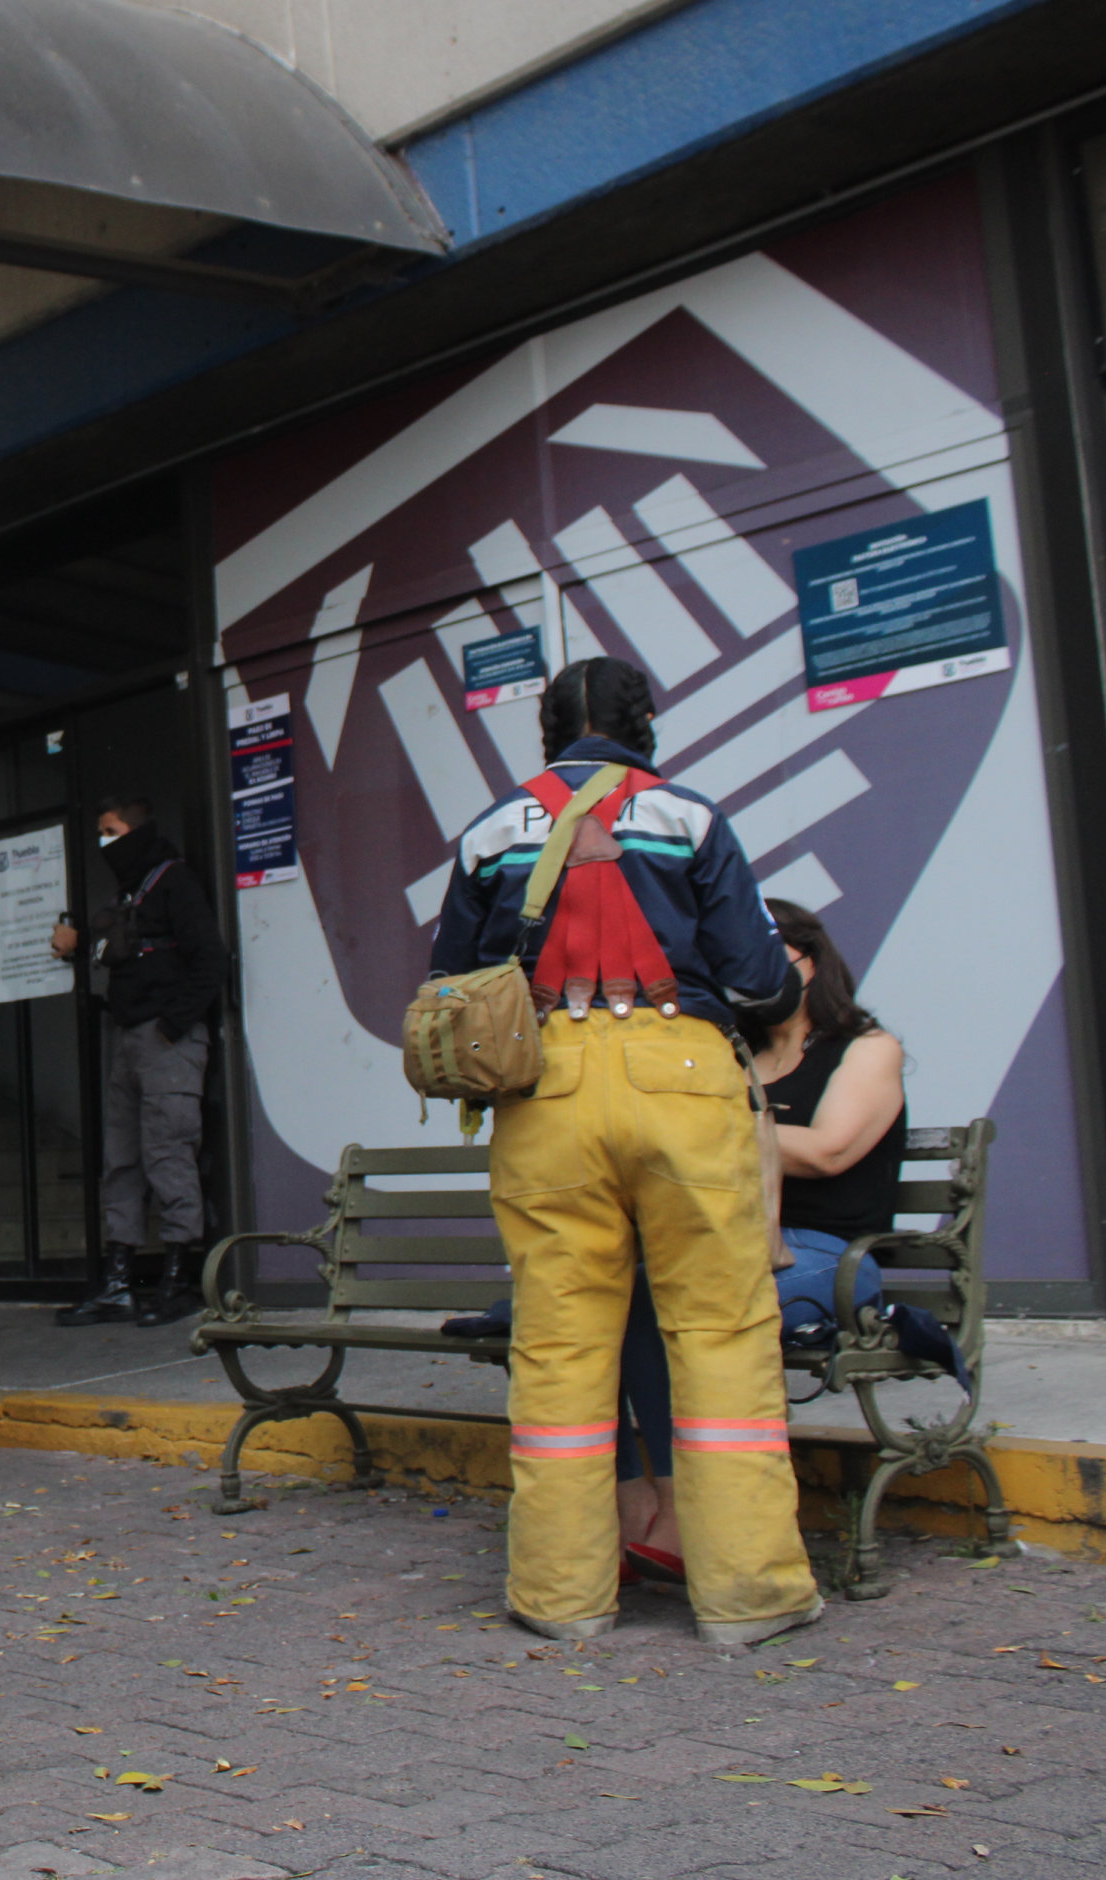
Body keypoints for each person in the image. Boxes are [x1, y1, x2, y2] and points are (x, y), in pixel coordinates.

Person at [430, 655, 820, 1646]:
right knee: (724, 1334)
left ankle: (562, 1598)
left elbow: (452, 984)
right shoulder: (692, 817)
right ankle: (750, 1597)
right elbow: (762, 974)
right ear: (646, 722)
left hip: (546, 1094)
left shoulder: (488, 830)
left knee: (559, 1347)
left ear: (548, 735)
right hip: (681, 1077)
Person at [610, 897, 905, 1580]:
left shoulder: (867, 1049)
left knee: (664, 1307)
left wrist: (697, 1124)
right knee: (605, 1304)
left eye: (767, 963)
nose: (750, 980)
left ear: (812, 961)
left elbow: (830, 1150)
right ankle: (636, 1500)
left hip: (827, 1259)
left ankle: (687, 1509)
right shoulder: (725, 1052)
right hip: (725, 1249)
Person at [52, 797, 226, 1326]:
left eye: (110, 831)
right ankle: (119, 1282)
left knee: (169, 1153)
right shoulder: (129, 889)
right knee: (122, 1160)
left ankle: (179, 1278)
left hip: (165, 1040)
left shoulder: (174, 882)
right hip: (128, 1038)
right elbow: (127, 950)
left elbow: (210, 960)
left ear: (136, 830)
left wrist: (174, 1026)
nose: (103, 841)